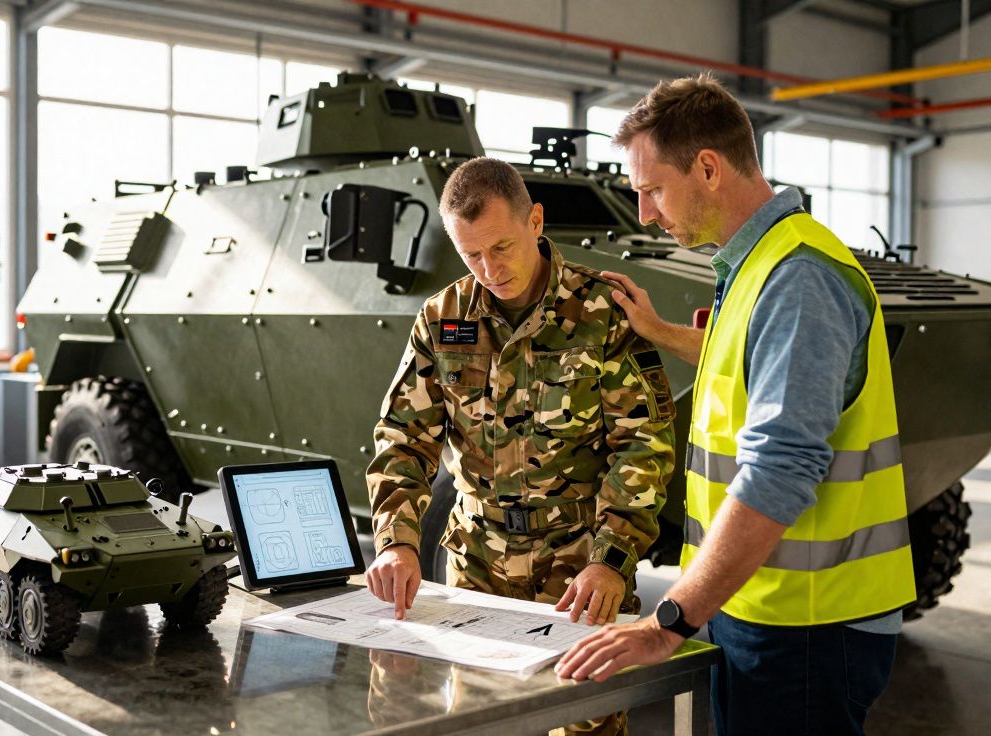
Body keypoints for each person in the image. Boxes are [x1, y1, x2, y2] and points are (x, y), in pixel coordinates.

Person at [555, 74, 915, 736]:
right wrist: (661, 332)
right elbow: (752, 365)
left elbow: (781, 467)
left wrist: (671, 618)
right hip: (761, 602)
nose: (645, 213)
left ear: (710, 168)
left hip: (807, 624)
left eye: (653, 188)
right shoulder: (756, 266)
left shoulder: (798, 276)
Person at [365, 157, 676, 734]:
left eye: (501, 247)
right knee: (481, 719)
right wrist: (397, 543)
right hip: (477, 559)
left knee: (588, 723)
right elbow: (404, 438)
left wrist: (612, 560)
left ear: (535, 221)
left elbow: (643, 445)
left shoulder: (600, 312)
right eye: (471, 255)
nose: (490, 269)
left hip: (580, 569)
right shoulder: (442, 318)